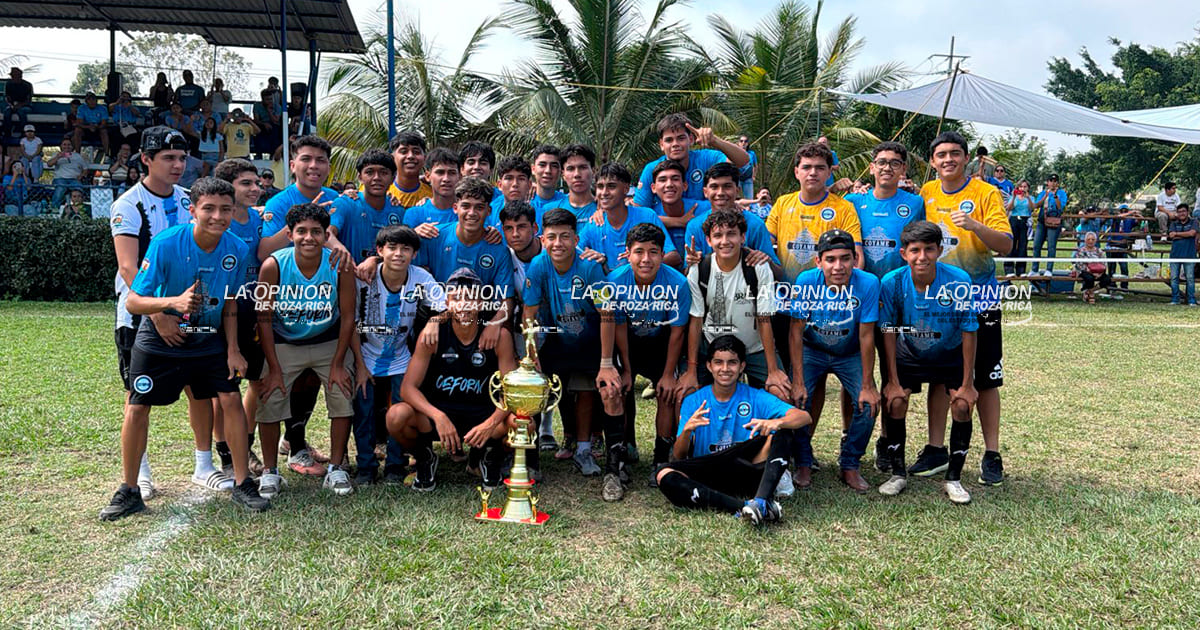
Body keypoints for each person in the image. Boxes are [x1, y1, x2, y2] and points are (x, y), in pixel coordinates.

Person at [99, 177, 269, 520]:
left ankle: (242, 482)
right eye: (209, 209)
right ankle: (130, 489)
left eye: (225, 209)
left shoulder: (235, 248)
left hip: (208, 337)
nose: (218, 216)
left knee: (231, 398)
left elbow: (231, 303)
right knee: (137, 404)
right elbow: (133, 301)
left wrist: (233, 349)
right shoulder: (165, 243)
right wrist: (171, 304)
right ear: (192, 211)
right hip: (161, 339)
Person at [256, 202, 364, 498]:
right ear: (289, 234)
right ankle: (269, 471)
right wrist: (274, 367)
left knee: (341, 394)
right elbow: (263, 318)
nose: (308, 237)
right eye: (301, 231)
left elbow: (347, 316)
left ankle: (337, 467)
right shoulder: (273, 265)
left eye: (316, 232)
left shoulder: (338, 265)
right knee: (270, 398)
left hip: (327, 341)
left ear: (325, 234)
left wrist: (340, 362)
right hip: (284, 343)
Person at [108, 127, 192, 498]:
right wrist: (159, 312)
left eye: (182, 158)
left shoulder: (191, 200)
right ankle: (139, 473)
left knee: (199, 388)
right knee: (137, 394)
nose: (177, 165)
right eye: (168, 158)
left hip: (188, 310)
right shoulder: (128, 203)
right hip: (141, 315)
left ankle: (204, 464)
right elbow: (129, 268)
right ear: (146, 159)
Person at [522, 208, 629, 487]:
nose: (558, 243)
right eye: (552, 237)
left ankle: (588, 451)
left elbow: (607, 313)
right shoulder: (538, 264)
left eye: (565, 237)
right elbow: (529, 313)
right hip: (556, 339)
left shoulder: (590, 266)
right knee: (530, 387)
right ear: (542, 239)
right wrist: (531, 357)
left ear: (576, 238)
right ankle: (530, 462)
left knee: (601, 389)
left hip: (591, 341)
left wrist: (607, 362)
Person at [877, 220, 980, 505]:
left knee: (961, 404)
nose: (922, 257)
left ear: (940, 250)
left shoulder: (958, 280)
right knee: (896, 401)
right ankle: (898, 473)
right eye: (915, 250)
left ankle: (954, 479)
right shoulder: (892, 282)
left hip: (950, 352)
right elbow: (887, 330)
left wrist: (968, 383)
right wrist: (892, 381)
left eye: (929, 250)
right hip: (909, 352)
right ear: (904, 253)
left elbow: (970, 329)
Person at [657, 335, 809, 525]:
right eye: (718, 362)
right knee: (664, 473)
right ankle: (742, 506)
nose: (725, 369)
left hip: (745, 466)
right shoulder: (694, 401)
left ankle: (761, 500)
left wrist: (776, 423)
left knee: (784, 431)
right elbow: (679, 456)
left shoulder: (755, 396)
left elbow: (804, 417)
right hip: (710, 469)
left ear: (742, 366)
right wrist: (687, 431)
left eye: (732, 363)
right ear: (709, 366)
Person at [386, 269, 516, 490]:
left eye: (471, 298)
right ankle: (425, 457)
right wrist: (439, 417)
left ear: (482, 301)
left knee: (520, 423)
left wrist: (490, 423)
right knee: (396, 416)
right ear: (447, 301)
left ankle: (487, 457)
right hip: (439, 415)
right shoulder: (432, 335)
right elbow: (408, 388)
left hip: (482, 414)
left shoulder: (498, 336)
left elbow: (512, 391)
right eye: (457, 298)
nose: (464, 304)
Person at [786, 229, 881, 490]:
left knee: (868, 403)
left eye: (845, 258)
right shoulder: (806, 281)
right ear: (819, 261)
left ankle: (849, 464)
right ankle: (803, 462)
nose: (838, 266)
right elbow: (795, 332)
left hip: (849, 352)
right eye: (830, 259)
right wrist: (797, 379)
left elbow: (866, 335)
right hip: (812, 349)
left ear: (855, 258)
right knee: (797, 399)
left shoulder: (869, 283)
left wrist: (868, 383)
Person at [599, 223, 691, 486]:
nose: (646, 259)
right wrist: (626, 370)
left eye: (653, 252)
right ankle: (617, 459)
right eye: (639, 252)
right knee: (614, 389)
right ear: (627, 253)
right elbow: (616, 326)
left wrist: (666, 375)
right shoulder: (614, 280)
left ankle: (661, 459)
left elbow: (677, 332)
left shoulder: (678, 283)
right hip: (626, 341)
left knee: (667, 392)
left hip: (661, 343)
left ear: (663, 255)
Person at [353, 225, 445, 485]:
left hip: (401, 356)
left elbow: (445, 307)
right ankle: (365, 466)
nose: (398, 254)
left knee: (398, 409)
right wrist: (359, 365)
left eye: (406, 249)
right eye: (391, 248)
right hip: (366, 356)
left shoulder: (420, 278)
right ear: (380, 251)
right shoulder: (364, 278)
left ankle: (395, 465)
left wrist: (435, 321)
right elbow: (350, 322)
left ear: (414, 254)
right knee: (364, 412)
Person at [678, 209, 785, 400]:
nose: (725, 241)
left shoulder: (758, 267)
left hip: (754, 348)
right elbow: (696, 320)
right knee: (684, 393)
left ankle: (768, 430)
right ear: (709, 241)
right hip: (711, 346)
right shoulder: (700, 269)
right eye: (718, 235)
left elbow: (764, 319)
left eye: (731, 234)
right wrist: (692, 370)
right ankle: (682, 431)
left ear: (743, 237)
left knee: (782, 394)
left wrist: (773, 370)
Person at [211, 158, 269, 476]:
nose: (255, 188)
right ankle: (226, 452)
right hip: (222, 309)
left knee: (257, 382)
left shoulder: (260, 218)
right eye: (246, 183)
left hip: (253, 306)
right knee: (224, 388)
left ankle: (244, 445)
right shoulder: (220, 221)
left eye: (257, 182)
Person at [413, 177, 516, 348]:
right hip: (437, 315)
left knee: (502, 336)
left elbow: (507, 301)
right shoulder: (434, 236)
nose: (472, 213)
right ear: (455, 208)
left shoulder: (499, 250)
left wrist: (494, 324)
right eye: (466, 206)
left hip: (477, 319)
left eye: (479, 207)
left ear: (489, 211)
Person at [766, 141, 863, 282]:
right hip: (785, 294)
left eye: (820, 168)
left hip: (826, 297)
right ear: (796, 172)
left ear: (829, 172)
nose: (813, 173)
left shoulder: (844, 208)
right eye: (806, 167)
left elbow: (857, 258)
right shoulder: (782, 203)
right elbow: (765, 247)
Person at [579, 162, 681, 270]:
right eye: (600, 187)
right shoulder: (593, 225)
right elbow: (573, 255)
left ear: (626, 189)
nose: (604, 192)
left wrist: (637, 265)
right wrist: (591, 259)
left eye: (611, 186)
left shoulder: (646, 216)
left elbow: (673, 257)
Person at [633, 113, 749, 208]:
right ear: (662, 145)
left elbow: (743, 160)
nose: (675, 144)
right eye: (669, 140)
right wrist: (679, 221)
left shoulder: (706, 158)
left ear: (691, 139)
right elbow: (640, 213)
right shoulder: (651, 170)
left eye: (681, 138)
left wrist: (714, 140)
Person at [681, 163, 779, 269]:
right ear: (705, 192)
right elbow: (688, 274)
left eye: (727, 186)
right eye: (714, 187)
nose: (720, 193)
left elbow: (778, 272)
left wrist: (766, 260)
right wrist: (692, 264)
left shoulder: (756, 225)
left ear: (737, 191)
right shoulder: (694, 226)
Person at [329, 148, 405, 265]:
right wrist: (340, 249)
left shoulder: (398, 210)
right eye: (369, 172)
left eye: (383, 173)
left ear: (393, 178)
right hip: (349, 276)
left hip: (386, 279)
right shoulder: (345, 203)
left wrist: (376, 261)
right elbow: (327, 232)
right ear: (360, 177)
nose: (376, 178)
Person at [650, 159, 711, 256]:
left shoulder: (706, 208)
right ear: (653, 188)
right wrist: (680, 221)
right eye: (662, 180)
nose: (669, 184)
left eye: (675, 179)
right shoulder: (649, 215)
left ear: (685, 186)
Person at [401, 147, 462, 231]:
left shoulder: (468, 212)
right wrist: (414, 234)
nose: (446, 179)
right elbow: (403, 243)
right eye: (440, 172)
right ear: (427, 176)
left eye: (452, 173)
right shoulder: (414, 214)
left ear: (460, 176)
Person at [546, 144, 598, 222]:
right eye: (570, 169)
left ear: (593, 171)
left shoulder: (605, 209)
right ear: (563, 174)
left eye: (583, 167)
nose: (577, 174)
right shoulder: (549, 209)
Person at [1032, 173, 1067, 276]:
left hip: (1054, 221)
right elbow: (1036, 205)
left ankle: (1049, 269)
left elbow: (1060, 207)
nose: (1053, 183)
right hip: (1042, 220)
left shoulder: (1061, 193)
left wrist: (1055, 196)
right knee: (1036, 245)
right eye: (1051, 181)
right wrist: (1045, 196)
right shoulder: (1043, 193)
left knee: (1051, 246)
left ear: (1058, 183)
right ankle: (1034, 269)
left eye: (1055, 181)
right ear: (1047, 182)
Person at [384, 131, 432, 207]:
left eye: (416, 152)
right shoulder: (381, 191)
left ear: (424, 159)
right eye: (404, 152)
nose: (410, 156)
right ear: (392, 158)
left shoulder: (433, 196)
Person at [1167, 204, 1197, 305]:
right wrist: (1185, 235)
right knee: (1174, 278)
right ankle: (1175, 299)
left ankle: (1191, 300)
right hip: (1175, 255)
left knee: (1190, 278)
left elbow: (1192, 233)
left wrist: (1177, 234)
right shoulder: (1173, 223)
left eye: (1183, 211)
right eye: (1179, 212)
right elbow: (1171, 235)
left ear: (1188, 212)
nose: (1181, 214)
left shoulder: (1194, 221)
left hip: (1190, 254)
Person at [489, 155, 533, 226]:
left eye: (521, 179)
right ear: (500, 185)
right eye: (509, 178)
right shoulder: (489, 211)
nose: (515, 184)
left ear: (529, 185)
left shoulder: (540, 213)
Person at [1071, 231, 1112, 304]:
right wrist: (1091, 272)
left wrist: (1100, 272)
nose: (1091, 241)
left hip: (1099, 271)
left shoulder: (1099, 251)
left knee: (1107, 279)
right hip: (1085, 271)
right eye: (1089, 239)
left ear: (1095, 241)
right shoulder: (1081, 251)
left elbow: (1104, 263)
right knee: (1090, 278)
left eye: (1093, 239)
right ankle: (1091, 295)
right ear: (1085, 240)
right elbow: (1079, 264)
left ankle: (1089, 291)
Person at [46, 138, 88, 209]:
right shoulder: (56, 155)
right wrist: (58, 157)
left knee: (78, 189)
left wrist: (81, 176)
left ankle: (79, 209)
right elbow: (49, 164)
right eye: (64, 144)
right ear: (61, 146)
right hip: (60, 179)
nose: (67, 146)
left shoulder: (77, 156)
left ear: (72, 146)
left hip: (74, 180)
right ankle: (54, 209)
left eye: (69, 145)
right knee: (60, 189)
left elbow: (85, 169)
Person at [1005, 180, 1034, 276]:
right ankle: (1009, 269)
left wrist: (1028, 197)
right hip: (1014, 219)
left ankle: (1021, 270)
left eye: (1025, 186)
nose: (1023, 189)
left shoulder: (1031, 198)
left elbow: (1031, 208)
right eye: (1021, 187)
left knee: (1023, 245)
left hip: (1024, 220)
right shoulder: (1013, 197)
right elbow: (1009, 208)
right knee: (1011, 244)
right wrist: (1013, 197)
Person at [530, 145, 567, 216]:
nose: (548, 171)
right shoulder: (523, 201)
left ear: (560, 171)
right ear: (533, 169)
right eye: (542, 165)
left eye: (554, 166)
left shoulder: (568, 204)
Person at [74, 92, 111, 156]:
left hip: (98, 129)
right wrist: (89, 127)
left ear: (96, 100)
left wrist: (96, 127)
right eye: (89, 100)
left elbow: (104, 123)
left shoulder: (103, 108)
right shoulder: (81, 108)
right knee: (77, 130)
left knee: (104, 131)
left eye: (93, 99)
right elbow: (79, 123)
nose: (92, 101)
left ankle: (107, 155)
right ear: (86, 101)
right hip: (86, 129)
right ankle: (77, 155)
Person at [3, 67, 33, 142]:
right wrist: (11, 105)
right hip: (12, 105)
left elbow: (28, 100)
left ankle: (21, 131)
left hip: (25, 106)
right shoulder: (8, 84)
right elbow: (7, 97)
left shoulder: (27, 85)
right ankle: (7, 132)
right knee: (7, 112)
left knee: (21, 112)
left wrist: (20, 105)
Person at [737, 135, 757, 200]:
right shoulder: (735, 153)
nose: (743, 143)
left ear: (747, 143)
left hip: (748, 178)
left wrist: (754, 176)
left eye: (745, 141)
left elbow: (755, 166)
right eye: (741, 141)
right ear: (739, 143)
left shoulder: (751, 153)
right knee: (735, 197)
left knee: (749, 198)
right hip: (738, 178)